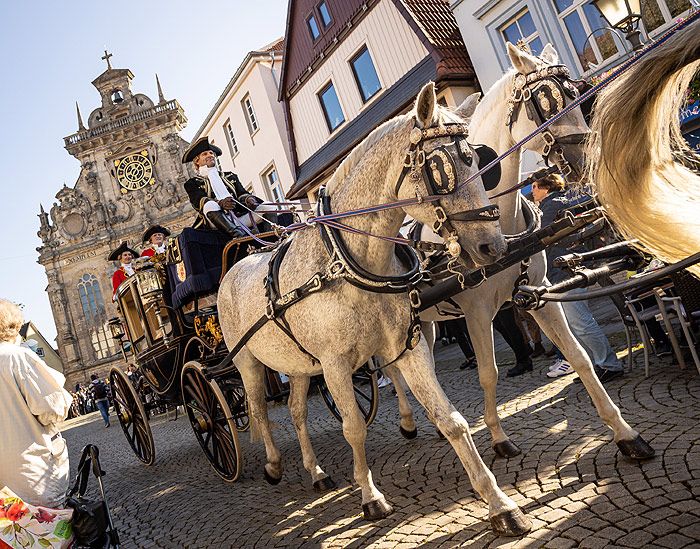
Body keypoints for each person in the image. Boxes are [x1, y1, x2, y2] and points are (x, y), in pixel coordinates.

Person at [531, 171, 624, 382]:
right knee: (576, 325)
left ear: (545, 188)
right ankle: (596, 365)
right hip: (567, 270)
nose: (533, 192)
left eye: (535, 187)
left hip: (565, 271)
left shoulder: (550, 206)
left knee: (580, 323)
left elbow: (537, 237)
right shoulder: (561, 201)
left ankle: (609, 364)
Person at [0, 299, 72, 507]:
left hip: (4, 488)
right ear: (14, 326)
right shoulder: (17, 357)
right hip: (30, 474)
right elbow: (52, 408)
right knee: (51, 531)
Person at [182, 136, 271, 238]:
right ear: (197, 161)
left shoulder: (230, 176)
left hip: (240, 217)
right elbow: (199, 202)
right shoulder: (192, 183)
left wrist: (248, 199)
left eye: (211, 153)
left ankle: (270, 237)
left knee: (268, 206)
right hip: (216, 223)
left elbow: (241, 193)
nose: (210, 155)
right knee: (209, 205)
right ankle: (238, 236)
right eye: (205, 154)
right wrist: (220, 203)